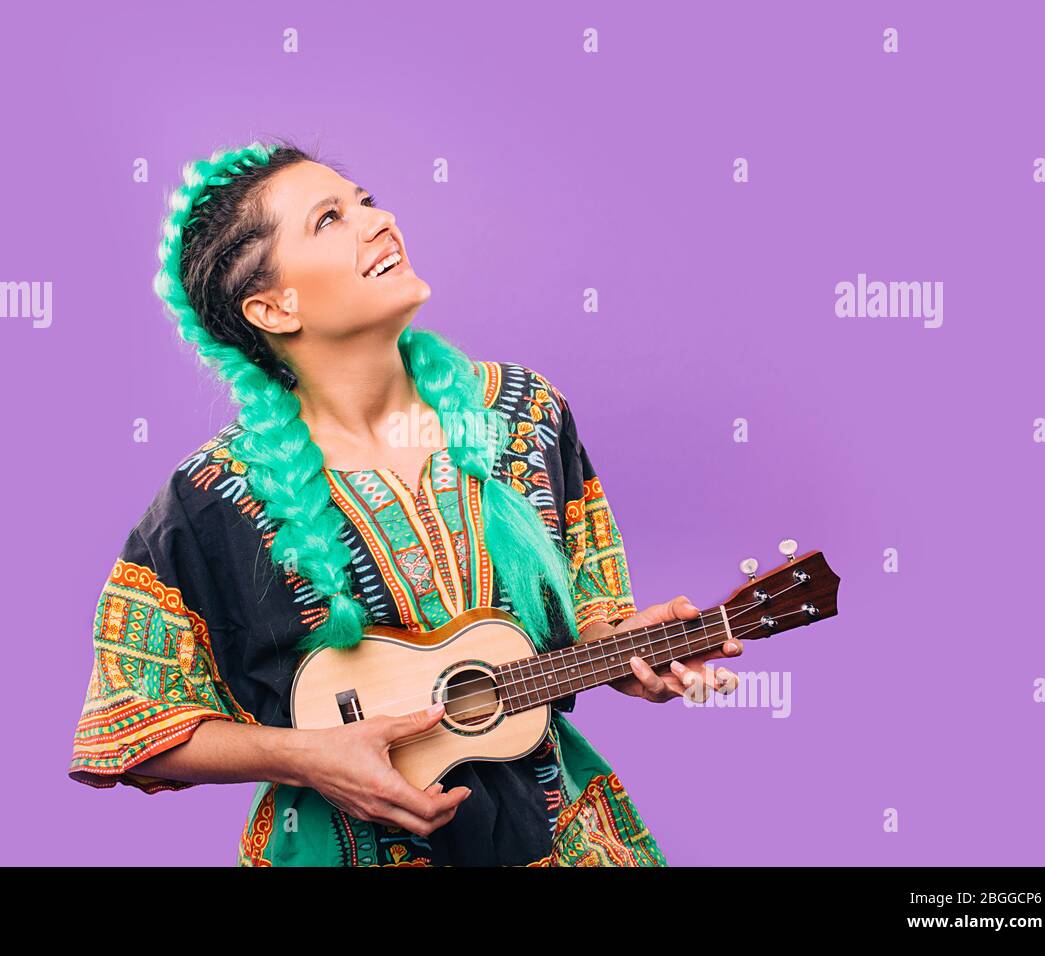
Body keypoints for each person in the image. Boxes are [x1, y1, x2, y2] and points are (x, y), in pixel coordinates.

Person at [67, 140, 744, 866]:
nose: (379, 220)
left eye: (364, 199)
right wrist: (307, 757)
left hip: (558, 830)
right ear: (272, 306)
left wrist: (627, 651)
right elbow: (131, 725)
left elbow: (587, 615)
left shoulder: (523, 413)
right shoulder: (209, 500)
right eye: (329, 219)